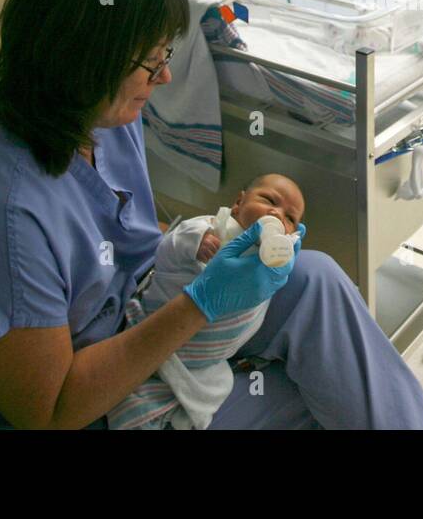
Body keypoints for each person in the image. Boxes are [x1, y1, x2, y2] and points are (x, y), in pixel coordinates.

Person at [0, 0, 423, 429]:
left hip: (142, 321)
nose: (165, 78)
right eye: (152, 62)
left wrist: (204, 250)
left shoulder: (102, 118)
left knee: (316, 280)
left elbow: (132, 252)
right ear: (85, 59)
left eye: (164, 57)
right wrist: (200, 303)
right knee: (311, 389)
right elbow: (50, 411)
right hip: (99, 405)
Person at [108, 174, 306, 430]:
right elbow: (172, 243)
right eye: (269, 200)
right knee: (142, 397)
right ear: (238, 203)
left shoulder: (272, 258)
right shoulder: (215, 229)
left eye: (291, 218)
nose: (278, 215)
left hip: (205, 362)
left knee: (214, 386)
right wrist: (197, 243)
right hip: (160, 332)